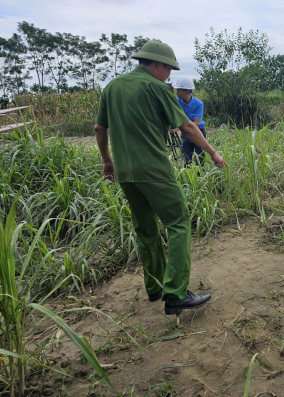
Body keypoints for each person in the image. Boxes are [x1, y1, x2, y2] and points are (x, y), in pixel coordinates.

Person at [94, 40, 227, 316]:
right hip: (154, 169)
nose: (169, 75)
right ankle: (176, 294)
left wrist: (108, 161)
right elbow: (187, 127)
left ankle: (155, 287)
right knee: (178, 222)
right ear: (156, 64)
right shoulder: (156, 88)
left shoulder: (112, 87)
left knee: (146, 229)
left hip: (125, 173)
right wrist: (213, 152)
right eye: (168, 69)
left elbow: (99, 127)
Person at [173, 78, 206, 166]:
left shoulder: (198, 104)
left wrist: (178, 127)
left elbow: (196, 122)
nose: (177, 93)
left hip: (198, 131)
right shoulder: (177, 102)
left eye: (179, 91)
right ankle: (188, 176)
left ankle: (201, 175)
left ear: (187, 91)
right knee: (187, 157)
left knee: (200, 157)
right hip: (185, 133)